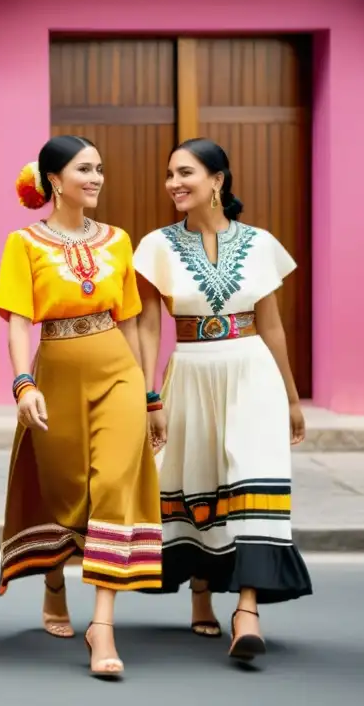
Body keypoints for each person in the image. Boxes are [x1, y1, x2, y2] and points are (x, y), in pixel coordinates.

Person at [132, 138, 312, 664]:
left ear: (218, 180)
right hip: (189, 371)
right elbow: (147, 324)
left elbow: (272, 325)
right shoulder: (156, 246)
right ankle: (201, 592)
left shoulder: (259, 243)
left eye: (185, 172)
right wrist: (149, 394)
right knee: (199, 478)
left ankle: (248, 611)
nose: (173, 183)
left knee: (252, 478)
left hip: (251, 370)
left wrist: (292, 397)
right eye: (169, 174)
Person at [0, 135, 162, 680]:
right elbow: (20, 320)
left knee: (112, 483)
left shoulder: (118, 240)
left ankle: (103, 626)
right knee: (66, 485)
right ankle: (52, 577)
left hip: (117, 369)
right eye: (84, 169)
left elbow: (133, 319)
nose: (95, 178)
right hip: (57, 371)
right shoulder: (24, 243)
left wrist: (148, 393)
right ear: (53, 181)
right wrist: (23, 384)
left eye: (99, 168)